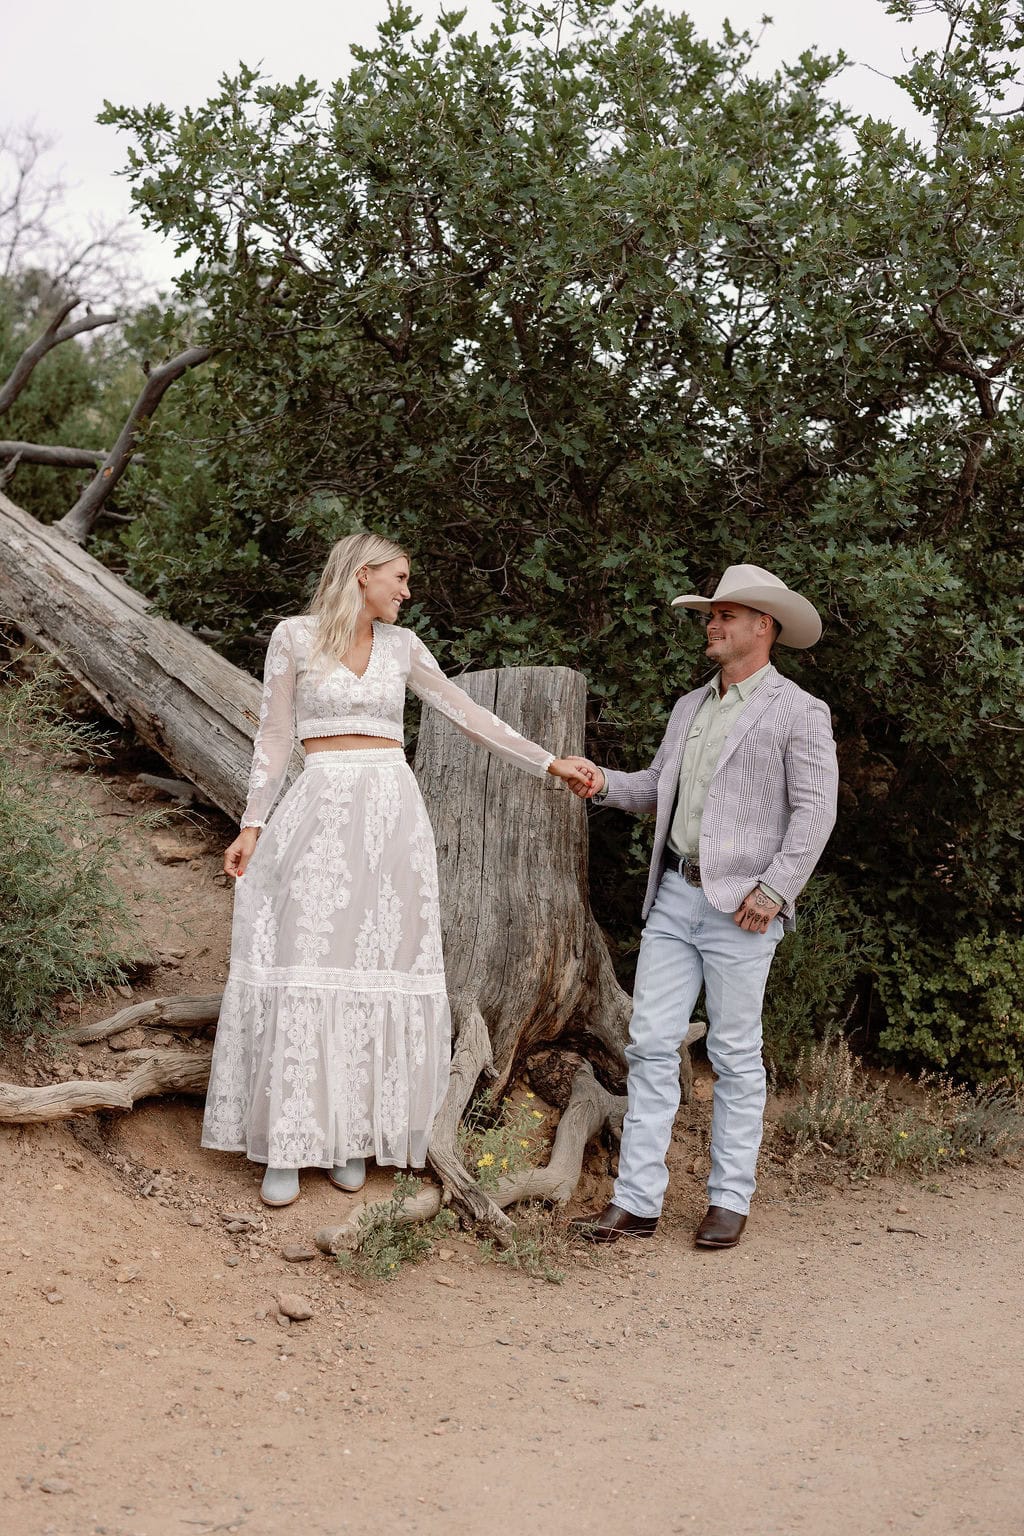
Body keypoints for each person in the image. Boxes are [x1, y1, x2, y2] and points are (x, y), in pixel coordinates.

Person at [201, 533, 592, 1207]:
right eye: (400, 578)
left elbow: (467, 715)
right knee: (306, 959)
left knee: (373, 965)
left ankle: (354, 1138)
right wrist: (253, 822)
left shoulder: (402, 648)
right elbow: (272, 735)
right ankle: (292, 1144)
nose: (407, 592)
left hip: (390, 815)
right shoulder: (294, 637)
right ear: (362, 574)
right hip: (319, 804)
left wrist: (549, 761)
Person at [568, 564, 838, 1249]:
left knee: (736, 1054)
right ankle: (637, 1203)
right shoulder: (690, 706)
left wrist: (775, 891)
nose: (712, 625)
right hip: (674, 897)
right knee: (651, 1045)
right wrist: (601, 783)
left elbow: (815, 814)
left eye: (726, 614)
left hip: (743, 909)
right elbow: (659, 788)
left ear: (763, 627)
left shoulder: (799, 712)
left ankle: (729, 1199)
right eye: (709, 615)